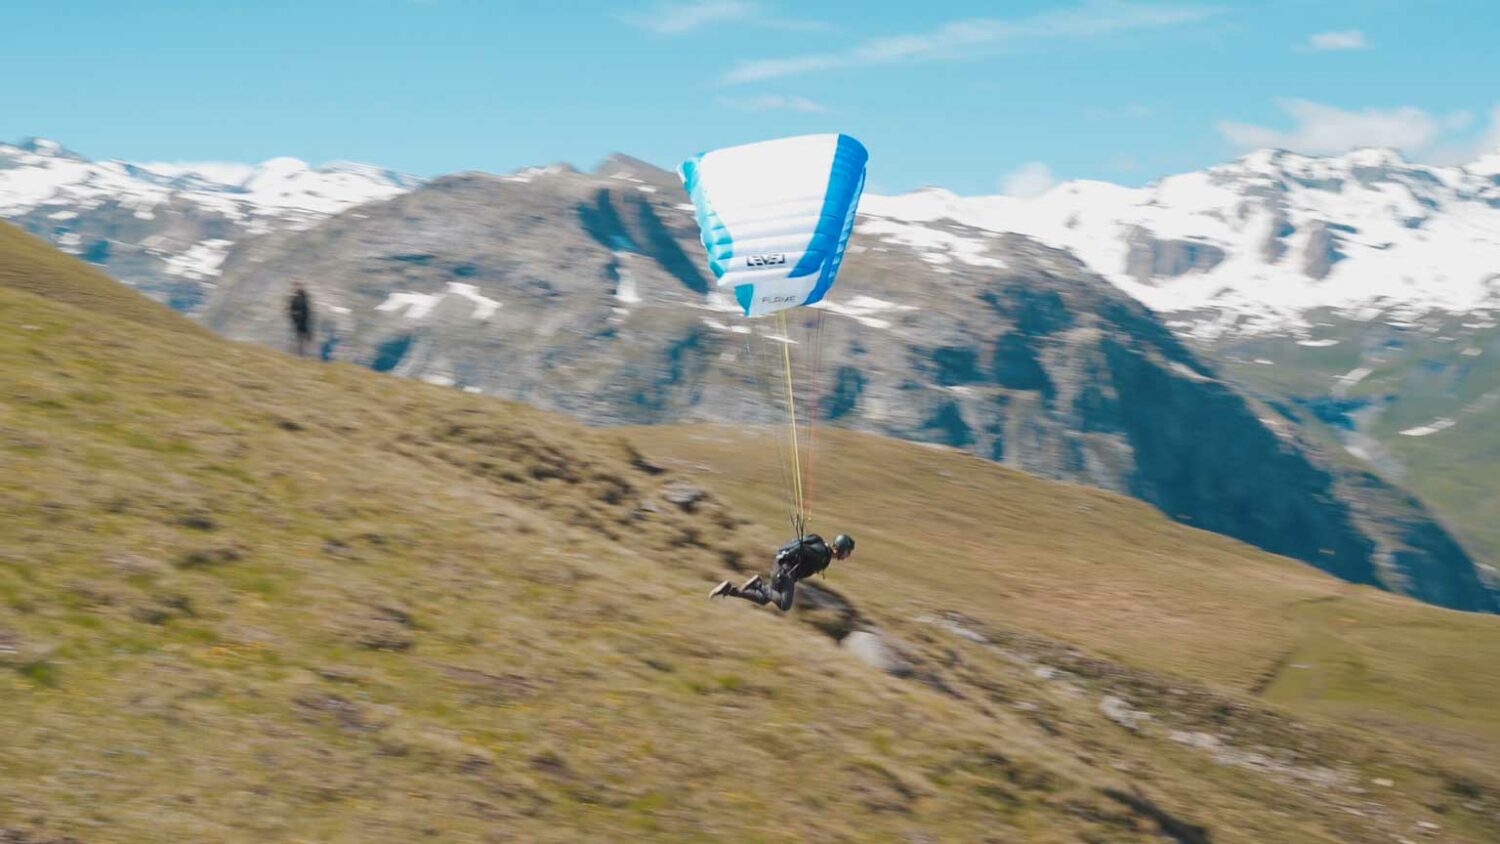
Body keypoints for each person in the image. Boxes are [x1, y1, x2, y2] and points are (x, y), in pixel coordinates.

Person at [711, 533, 854, 611]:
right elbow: (801, 548)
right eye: (848, 552)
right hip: (785, 572)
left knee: (763, 599)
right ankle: (758, 584)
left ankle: (729, 589)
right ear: (842, 549)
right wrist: (787, 561)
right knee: (785, 605)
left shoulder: (824, 552)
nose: (848, 555)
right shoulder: (821, 553)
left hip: (782, 569)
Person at [288, 282, 313, 357]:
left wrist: (295, 317)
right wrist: (295, 317)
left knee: (304, 336)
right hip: (300, 320)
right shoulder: (296, 298)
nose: (297, 288)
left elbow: (306, 309)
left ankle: (303, 352)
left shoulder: (303, 297)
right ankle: (301, 353)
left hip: (303, 320)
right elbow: (292, 309)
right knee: (301, 336)